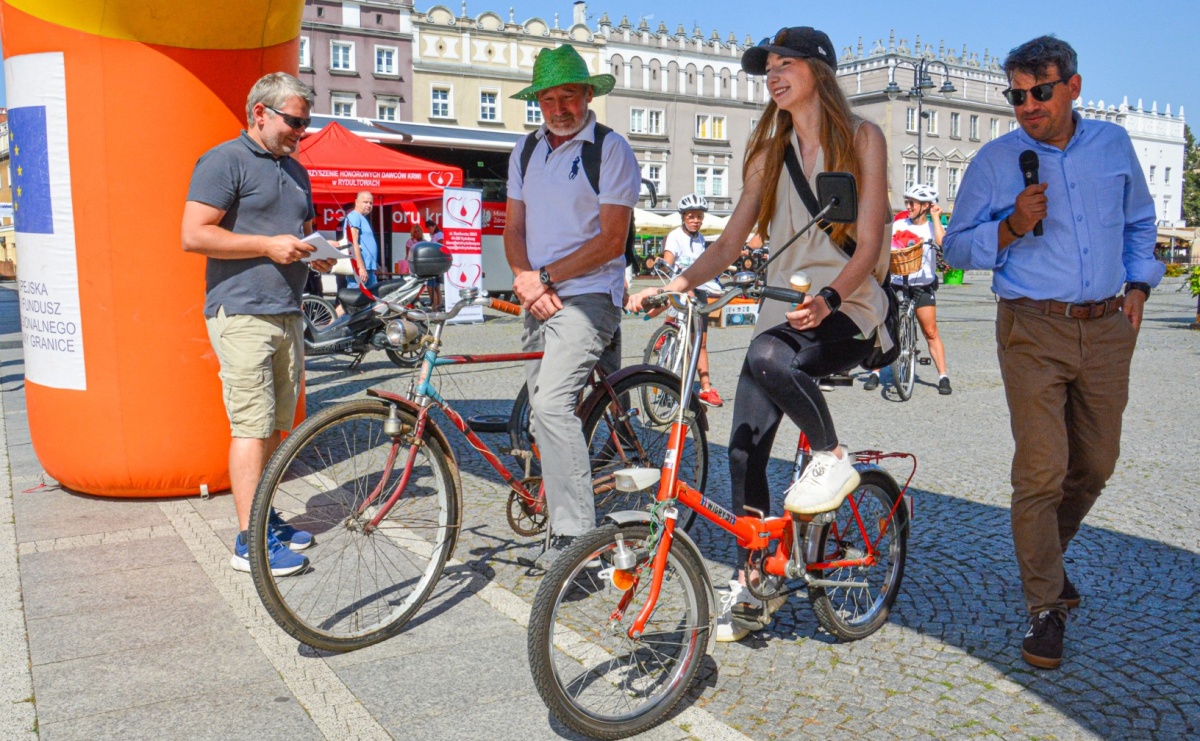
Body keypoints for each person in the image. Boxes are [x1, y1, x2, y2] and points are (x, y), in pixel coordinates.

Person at [629, 26, 890, 641]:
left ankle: (831, 456)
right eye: (767, 66)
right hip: (785, 315)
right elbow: (728, 239)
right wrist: (682, 283)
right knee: (743, 446)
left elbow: (872, 240)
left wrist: (829, 297)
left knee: (764, 352)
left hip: (851, 308)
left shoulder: (862, 138)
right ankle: (755, 578)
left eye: (785, 63)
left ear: (818, 72)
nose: (772, 74)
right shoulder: (766, 152)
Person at [943, 36, 1160, 670]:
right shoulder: (995, 161)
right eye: (1017, 95)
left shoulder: (1112, 146)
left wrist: (1141, 284)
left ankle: (1047, 562)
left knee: (1095, 464)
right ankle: (1045, 608)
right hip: (1032, 328)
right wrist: (1010, 225)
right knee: (1041, 471)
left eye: (1040, 91)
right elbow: (954, 248)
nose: (1028, 105)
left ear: (1073, 86)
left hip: (1106, 326)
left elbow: (1140, 221)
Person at [182, 72, 336, 576]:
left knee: (274, 425)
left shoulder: (295, 170)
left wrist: (315, 256)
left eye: (306, 123)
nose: (302, 131)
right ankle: (249, 542)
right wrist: (267, 245)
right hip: (242, 311)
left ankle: (263, 517)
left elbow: (300, 233)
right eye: (295, 121)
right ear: (261, 114)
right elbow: (194, 235)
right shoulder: (224, 160)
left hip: (286, 311)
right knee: (250, 425)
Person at [504, 44, 641, 568]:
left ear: (588, 95)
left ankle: (576, 540)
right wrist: (523, 278)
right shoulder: (525, 151)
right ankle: (568, 496)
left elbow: (611, 241)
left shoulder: (609, 149)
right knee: (544, 416)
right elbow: (512, 228)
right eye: (549, 98)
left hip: (588, 296)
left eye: (569, 96)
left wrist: (543, 278)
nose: (559, 108)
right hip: (539, 294)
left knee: (551, 405)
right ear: (537, 101)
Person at [863, 183, 952, 394]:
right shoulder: (899, 223)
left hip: (922, 284)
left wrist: (937, 217)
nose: (908, 206)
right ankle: (875, 371)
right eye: (907, 202)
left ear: (925, 206)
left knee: (930, 331)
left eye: (912, 203)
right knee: (883, 326)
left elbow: (943, 243)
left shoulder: (931, 227)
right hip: (896, 282)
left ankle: (943, 376)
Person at [662, 193, 724, 407]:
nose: (695, 220)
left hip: (698, 291)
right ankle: (664, 378)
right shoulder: (674, 236)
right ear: (683, 217)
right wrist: (669, 270)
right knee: (675, 336)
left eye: (699, 216)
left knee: (700, 342)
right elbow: (668, 263)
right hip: (680, 291)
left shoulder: (700, 240)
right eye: (691, 216)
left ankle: (706, 388)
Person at [334, 191, 378, 317]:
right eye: (365, 202)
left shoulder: (362, 218)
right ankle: (328, 327)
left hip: (368, 269)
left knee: (372, 299)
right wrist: (360, 267)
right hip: (361, 269)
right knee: (350, 300)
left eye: (371, 203)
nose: (368, 205)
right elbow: (352, 242)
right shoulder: (354, 216)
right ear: (356, 202)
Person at [423, 217, 444, 308]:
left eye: (430, 227)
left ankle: (435, 305)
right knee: (436, 287)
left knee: (431, 286)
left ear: (434, 226)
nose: (429, 230)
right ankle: (438, 304)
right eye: (427, 228)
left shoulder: (439, 235)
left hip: (436, 264)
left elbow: (441, 247)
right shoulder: (434, 236)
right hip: (434, 263)